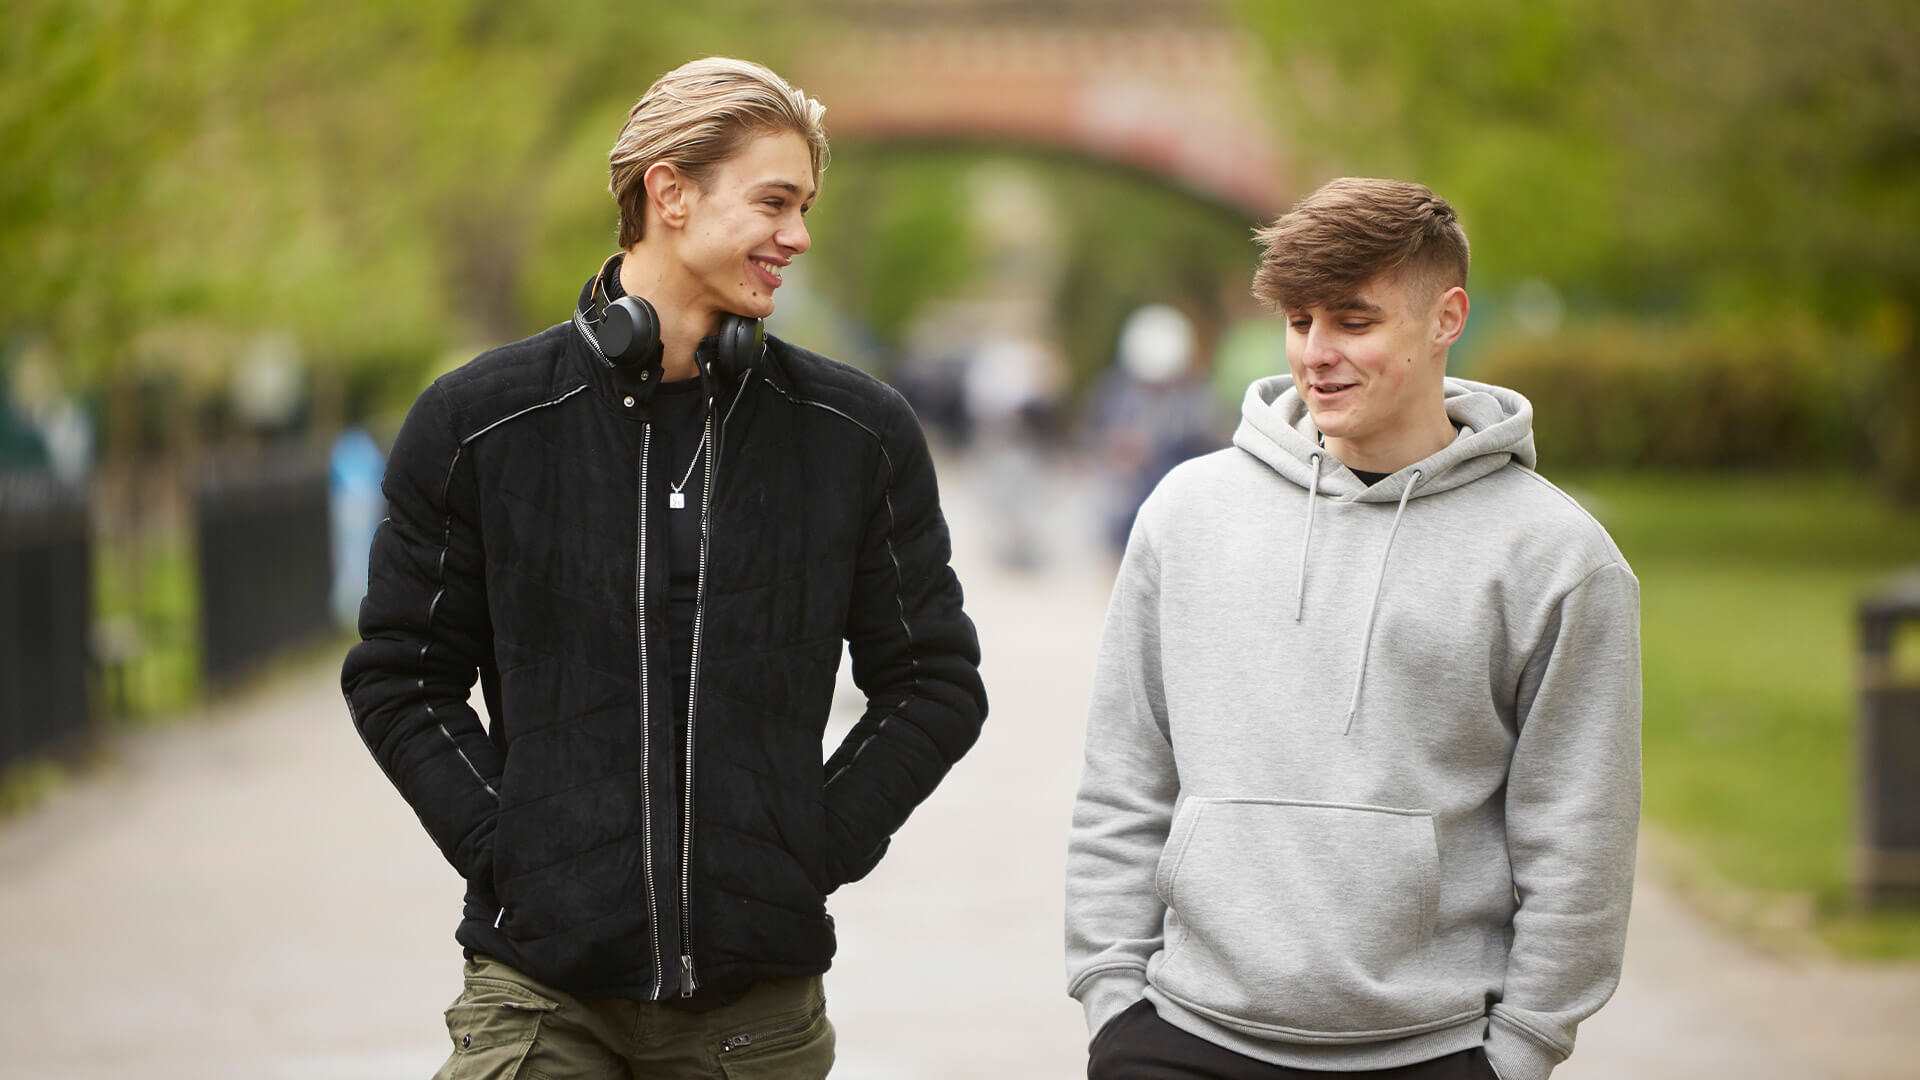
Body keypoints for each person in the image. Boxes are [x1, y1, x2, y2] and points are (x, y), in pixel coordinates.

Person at [343, 57, 987, 1079]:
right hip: (538, 996)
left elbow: (935, 684)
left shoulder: (856, 435)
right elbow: (399, 677)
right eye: (774, 202)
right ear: (670, 192)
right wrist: (513, 852)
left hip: (754, 1021)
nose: (799, 237)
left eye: (807, 206)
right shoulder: (478, 424)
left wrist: (804, 847)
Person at [1065, 178, 1641, 1080]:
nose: (1317, 354)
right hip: (1179, 1037)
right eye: (1299, 322)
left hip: (1436, 1050)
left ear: (1446, 317)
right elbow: (1123, 780)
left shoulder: (1558, 557)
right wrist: (1112, 998)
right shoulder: (1186, 515)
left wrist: (1522, 1049)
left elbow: (1579, 836)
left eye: (1354, 321)